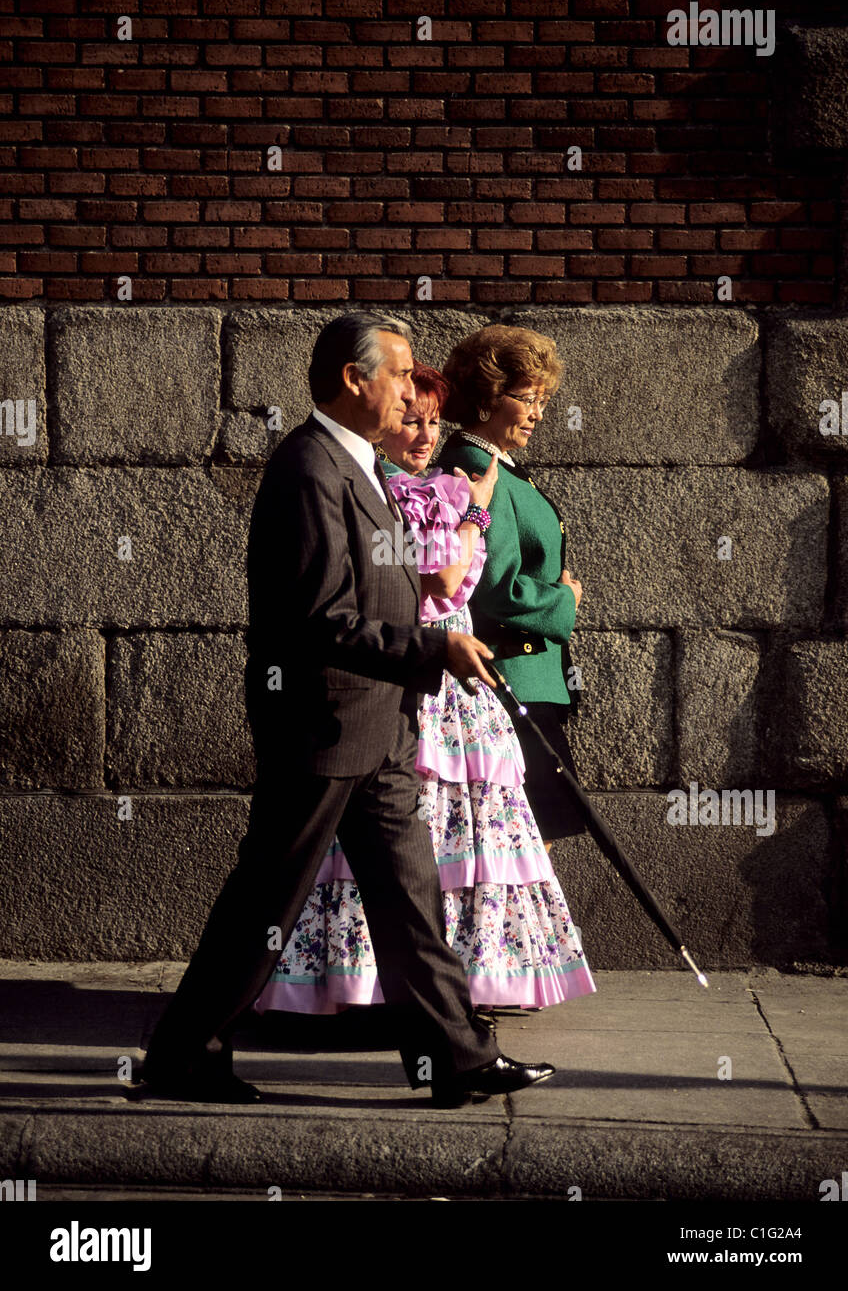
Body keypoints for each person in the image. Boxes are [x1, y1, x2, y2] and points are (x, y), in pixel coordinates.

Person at [139, 311, 555, 1108]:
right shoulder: (308, 468)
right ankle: (181, 1055)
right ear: (352, 380)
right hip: (323, 726)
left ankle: (459, 1058)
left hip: (381, 723)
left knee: (410, 898)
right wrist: (434, 650)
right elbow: (319, 615)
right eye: (399, 373)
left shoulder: (357, 463)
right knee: (265, 897)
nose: (411, 389)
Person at [254, 362, 595, 1020]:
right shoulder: (382, 486)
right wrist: (473, 517)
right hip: (408, 670)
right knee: (389, 842)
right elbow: (443, 580)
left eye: (432, 422)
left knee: (457, 835)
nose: (423, 433)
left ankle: (456, 996)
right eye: (411, 418)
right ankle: (367, 990)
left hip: (452, 675)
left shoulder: (434, 485)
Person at [437, 324, 588, 844]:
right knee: (526, 855)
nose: (539, 414)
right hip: (511, 682)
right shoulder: (479, 469)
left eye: (544, 400)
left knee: (527, 853)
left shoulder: (501, 467)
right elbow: (493, 587)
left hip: (531, 681)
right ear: (488, 399)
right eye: (528, 399)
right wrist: (563, 601)